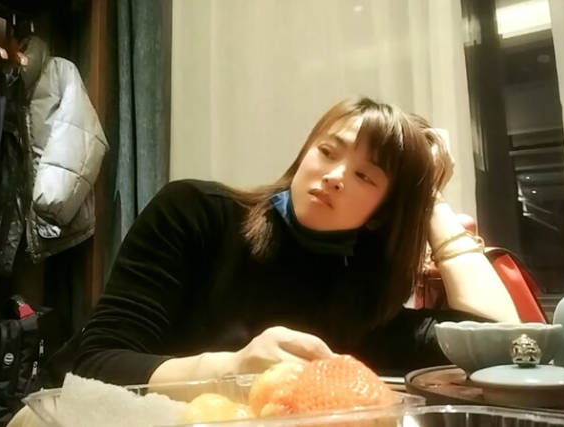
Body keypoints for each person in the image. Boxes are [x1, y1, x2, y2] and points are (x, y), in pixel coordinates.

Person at [71, 97, 520, 387]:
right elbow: (93, 364)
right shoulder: (195, 211)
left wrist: (430, 204)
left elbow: (504, 345)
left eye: (365, 176)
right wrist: (231, 368)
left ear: (382, 214)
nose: (334, 176)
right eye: (327, 151)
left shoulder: (363, 289)